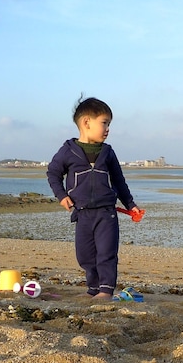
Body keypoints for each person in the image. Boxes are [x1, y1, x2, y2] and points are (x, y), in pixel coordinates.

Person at [46, 96, 143, 299]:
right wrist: (61, 196)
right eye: (104, 123)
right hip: (82, 213)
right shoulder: (68, 151)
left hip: (107, 213)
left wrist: (130, 204)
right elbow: (53, 173)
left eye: (109, 124)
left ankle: (105, 290)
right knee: (85, 255)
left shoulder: (108, 152)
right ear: (86, 122)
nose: (108, 129)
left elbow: (119, 181)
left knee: (106, 252)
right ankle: (93, 289)